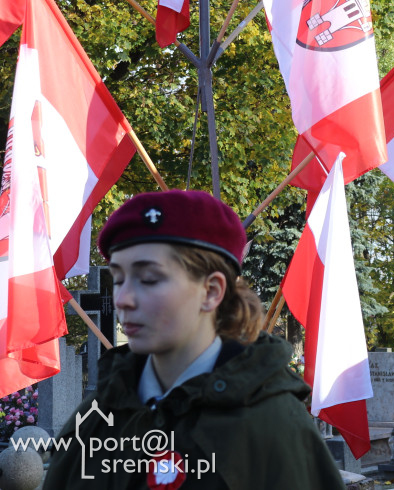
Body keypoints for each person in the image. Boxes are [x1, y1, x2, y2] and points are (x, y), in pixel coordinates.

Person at [45, 190, 346, 490]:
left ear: (212, 291)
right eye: (119, 279)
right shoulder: (95, 421)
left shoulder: (277, 427)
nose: (123, 299)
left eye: (149, 279)